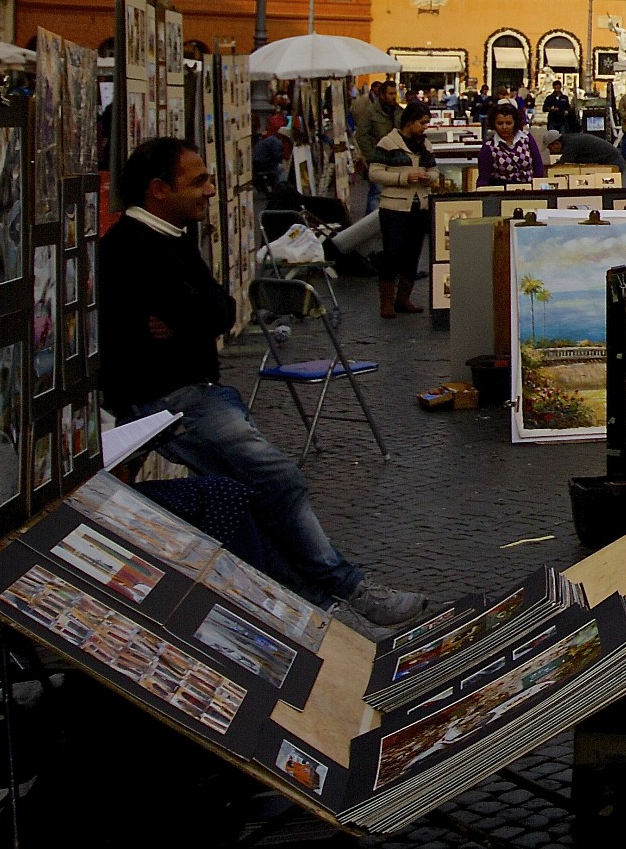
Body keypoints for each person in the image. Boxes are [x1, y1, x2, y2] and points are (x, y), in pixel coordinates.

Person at [99, 137, 427, 629]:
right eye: (200, 181)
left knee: (255, 494)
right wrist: (196, 317)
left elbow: (223, 309)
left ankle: (320, 602)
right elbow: (206, 311)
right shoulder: (130, 248)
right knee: (277, 477)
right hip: (168, 401)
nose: (211, 190)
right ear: (159, 190)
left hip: (195, 392)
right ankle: (343, 589)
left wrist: (188, 319)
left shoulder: (171, 237)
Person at [370, 102, 439, 317]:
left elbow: (435, 170)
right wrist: (403, 177)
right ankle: (386, 302)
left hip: (420, 205)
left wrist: (429, 177)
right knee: (392, 253)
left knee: (413, 252)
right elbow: (375, 173)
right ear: (410, 121)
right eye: (422, 122)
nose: (425, 127)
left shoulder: (424, 144)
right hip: (394, 206)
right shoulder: (388, 143)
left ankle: (403, 299)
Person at [352, 79, 399, 210]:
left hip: (396, 160)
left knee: (387, 194)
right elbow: (361, 135)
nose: (393, 96)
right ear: (382, 95)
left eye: (395, 93)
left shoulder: (398, 111)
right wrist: (371, 156)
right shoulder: (371, 112)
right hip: (377, 159)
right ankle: (372, 224)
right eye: (390, 94)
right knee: (376, 193)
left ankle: (369, 224)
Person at [475, 102, 546, 186]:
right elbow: (484, 179)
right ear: (494, 124)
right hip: (502, 194)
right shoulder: (488, 147)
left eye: (508, 123)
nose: (504, 127)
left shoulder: (526, 138)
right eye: (500, 123)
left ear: (515, 123)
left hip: (529, 190)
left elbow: (538, 166)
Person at [547, 129, 623, 168]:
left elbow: (563, 163)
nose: (550, 151)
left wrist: (549, 170)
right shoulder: (569, 139)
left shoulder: (571, 144)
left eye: (550, 148)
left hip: (612, 162)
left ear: (556, 143)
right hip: (610, 160)